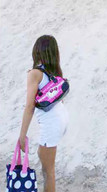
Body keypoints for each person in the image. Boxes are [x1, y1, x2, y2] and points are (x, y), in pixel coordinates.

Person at [19, 35, 68, 192]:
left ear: (37, 51)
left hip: (52, 124)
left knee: (49, 172)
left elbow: (29, 107)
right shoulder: (54, 72)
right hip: (62, 119)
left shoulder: (35, 73)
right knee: (46, 165)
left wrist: (22, 135)